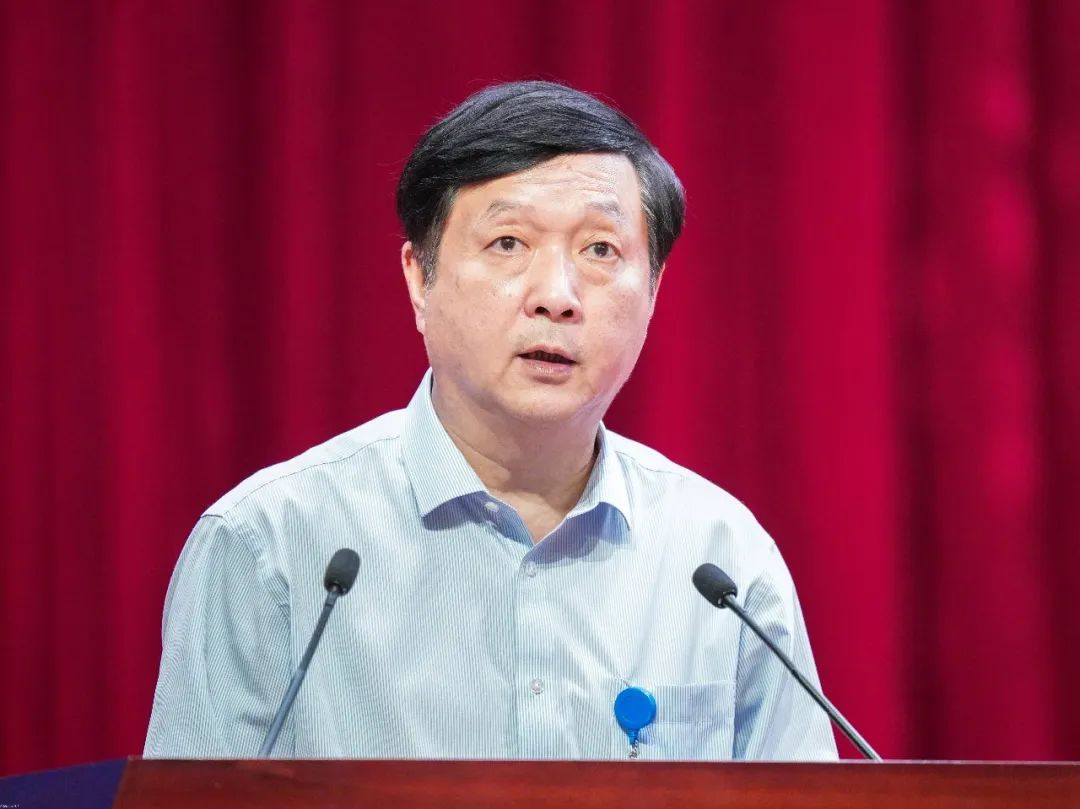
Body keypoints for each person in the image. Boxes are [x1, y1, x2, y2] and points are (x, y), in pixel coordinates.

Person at [144, 80, 838, 761]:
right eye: (508, 242)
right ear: (420, 278)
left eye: (601, 250)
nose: (557, 296)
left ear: (654, 291)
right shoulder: (268, 545)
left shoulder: (723, 562)